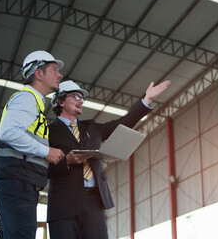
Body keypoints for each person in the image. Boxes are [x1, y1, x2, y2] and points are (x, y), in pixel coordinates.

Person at [47, 80, 170, 239]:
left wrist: (146, 100)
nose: (80, 100)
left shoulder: (92, 127)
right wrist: (67, 161)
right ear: (60, 101)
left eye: (82, 98)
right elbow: (39, 168)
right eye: (76, 96)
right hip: (63, 204)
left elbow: (123, 123)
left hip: (94, 202)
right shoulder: (48, 131)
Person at [0, 50, 66, 239]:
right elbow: (8, 133)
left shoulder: (36, 103)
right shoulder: (26, 98)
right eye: (54, 70)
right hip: (17, 182)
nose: (60, 75)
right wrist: (46, 151)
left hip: (21, 183)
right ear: (38, 74)